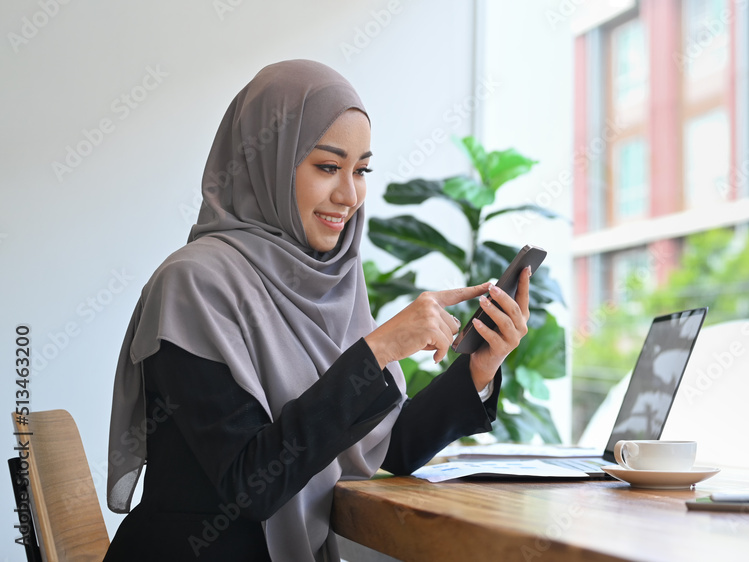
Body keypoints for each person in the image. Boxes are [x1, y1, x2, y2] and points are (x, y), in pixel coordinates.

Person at [104, 60, 531, 561]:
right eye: (328, 167)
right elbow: (252, 483)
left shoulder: (331, 284)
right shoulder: (192, 284)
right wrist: (380, 348)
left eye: (361, 170)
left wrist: (479, 367)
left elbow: (384, 447)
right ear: (268, 162)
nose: (349, 195)